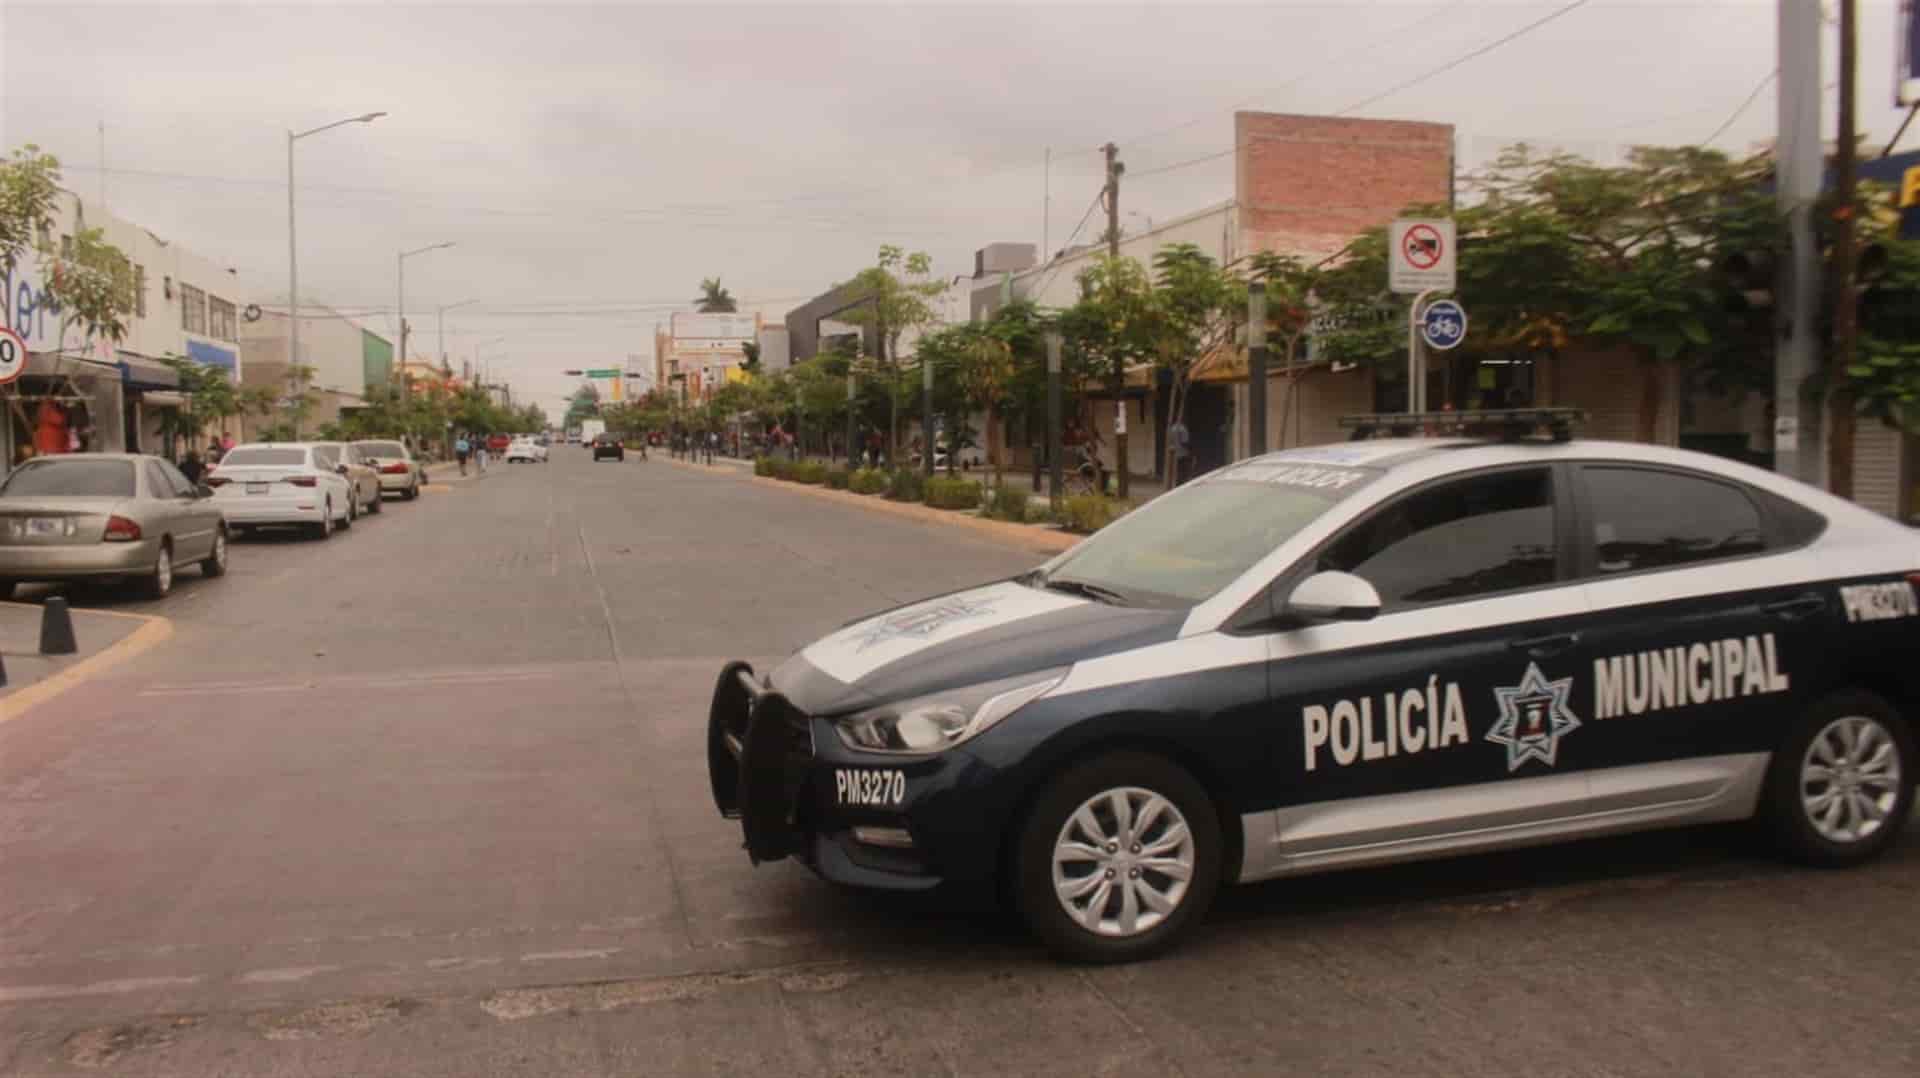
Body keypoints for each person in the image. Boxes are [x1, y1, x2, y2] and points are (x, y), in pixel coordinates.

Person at [1169, 416, 1192, 487]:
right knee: (1183, 470)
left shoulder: (1172, 428)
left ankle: (1176, 483)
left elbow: (1170, 441)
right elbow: (1185, 442)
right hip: (1182, 453)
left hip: (1174, 452)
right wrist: (1190, 451)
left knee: (1176, 470)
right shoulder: (1183, 429)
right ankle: (1181, 484)